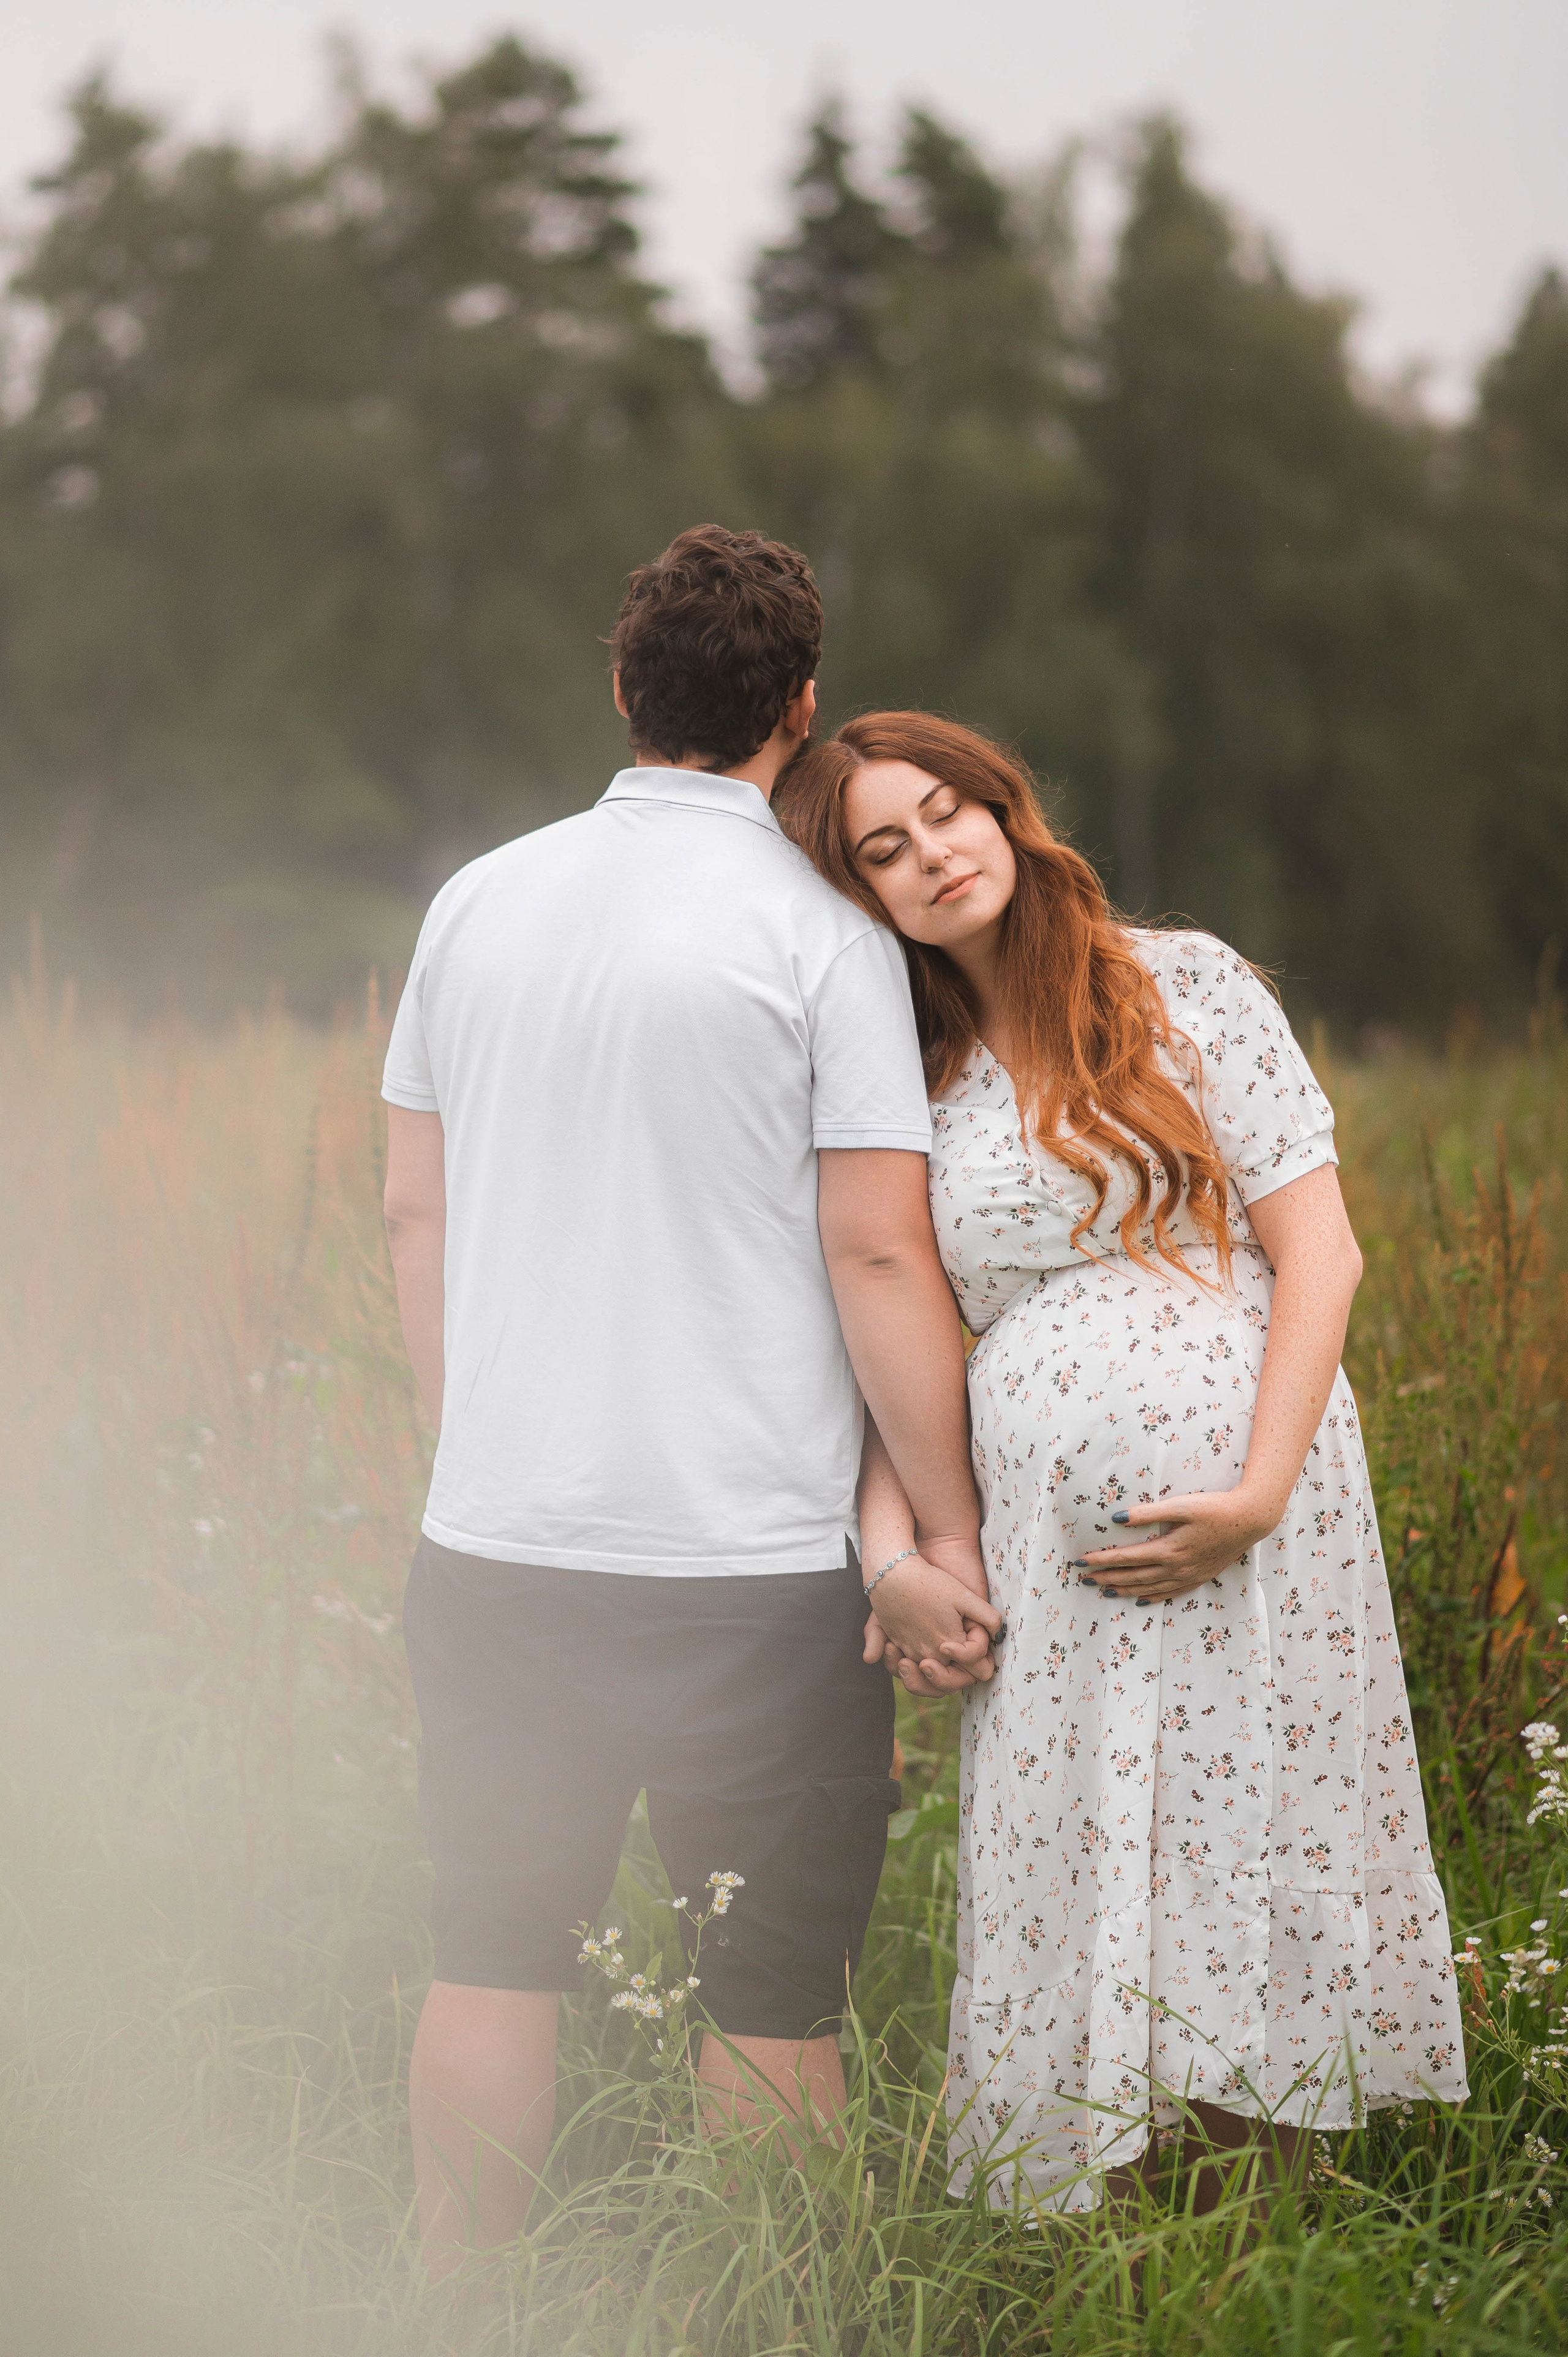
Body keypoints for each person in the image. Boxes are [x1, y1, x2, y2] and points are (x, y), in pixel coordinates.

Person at [379, 529, 1000, 2268]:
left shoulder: (475, 901)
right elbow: (880, 1256)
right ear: (798, 712)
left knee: (491, 1957)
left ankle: (453, 2301)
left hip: (502, 1544)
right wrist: (945, 1530)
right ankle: (763, 2316)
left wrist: (471, 1447)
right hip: (762, 1569)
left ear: (623, 688)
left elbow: (412, 1208)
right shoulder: (825, 933)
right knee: (776, 2001)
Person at [775, 711, 1468, 2213]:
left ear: (1005, 811)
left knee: (1248, 1833)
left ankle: (1261, 2243)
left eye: (944, 812)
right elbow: (890, 1333)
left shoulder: (1182, 984)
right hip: (1049, 1560)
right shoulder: (906, 1074)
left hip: (1265, 1518)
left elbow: (1319, 1252)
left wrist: (1257, 1492)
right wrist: (889, 1551)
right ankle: (1115, 2242)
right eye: (881, 851)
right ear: (862, 897)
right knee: (1089, 1846)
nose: (930, 857)